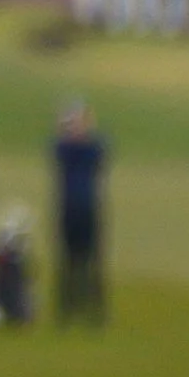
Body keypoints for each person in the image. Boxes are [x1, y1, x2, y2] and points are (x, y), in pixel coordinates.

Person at [52, 102, 109, 323]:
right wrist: (64, 131)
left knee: (92, 261)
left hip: (89, 209)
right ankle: (68, 307)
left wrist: (85, 132)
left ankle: (95, 309)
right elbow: (57, 149)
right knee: (68, 260)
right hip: (67, 209)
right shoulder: (63, 148)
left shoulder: (93, 148)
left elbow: (101, 151)